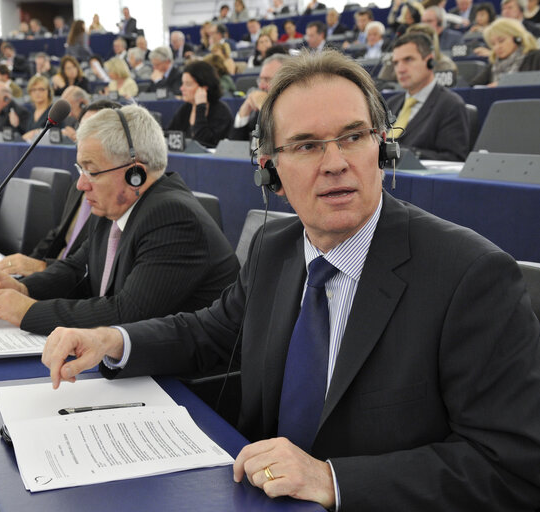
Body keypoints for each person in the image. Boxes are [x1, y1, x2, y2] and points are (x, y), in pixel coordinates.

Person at [41, 50, 540, 511]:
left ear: (383, 148)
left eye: (353, 137)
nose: (336, 163)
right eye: (306, 145)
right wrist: (112, 340)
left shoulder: (470, 276)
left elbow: (511, 469)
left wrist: (333, 480)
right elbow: (208, 332)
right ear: (271, 173)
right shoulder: (273, 248)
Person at [0, 104, 239, 335]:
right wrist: (23, 289)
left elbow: (127, 314)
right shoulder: (113, 207)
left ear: (135, 174)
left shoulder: (173, 218)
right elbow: (76, 269)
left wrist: (28, 311)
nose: (81, 184)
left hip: (188, 375)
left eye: (92, 171)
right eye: (80, 169)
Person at [0, 99, 121, 276]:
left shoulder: (117, 198)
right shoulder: (77, 186)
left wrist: (41, 268)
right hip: (53, 276)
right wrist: (22, 270)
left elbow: (94, 268)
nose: (83, 138)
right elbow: (58, 235)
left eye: (93, 131)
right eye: (82, 130)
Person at [388, 33, 470, 161]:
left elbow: (454, 159)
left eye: (408, 60)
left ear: (430, 62)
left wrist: (405, 153)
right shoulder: (391, 104)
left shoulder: (450, 105)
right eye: (396, 63)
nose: (400, 69)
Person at [167, 60, 233, 148]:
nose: (181, 88)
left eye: (188, 84)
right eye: (182, 83)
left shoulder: (221, 111)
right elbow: (170, 135)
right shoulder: (186, 108)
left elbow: (204, 143)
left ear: (204, 88)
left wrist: (200, 107)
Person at [230, 53, 287, 141]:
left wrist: (265, 108)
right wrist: (244, 113)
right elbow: (236, 145)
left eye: (267, 79)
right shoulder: (258, 109)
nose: (261, 86)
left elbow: (278, 142)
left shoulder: (295, 110)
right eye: (261, 79)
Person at [482, 18, 540, 85]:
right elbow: (473, 86)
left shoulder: (536, 57)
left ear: (517, 39)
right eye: (493, 44)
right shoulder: (494, 64)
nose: (497, 47)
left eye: (501, 41)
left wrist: (502, 84)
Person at [21, 75, 54, 142]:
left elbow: (57, 133)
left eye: (41, 89)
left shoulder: (54, 112)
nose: (37, 92)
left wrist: (36, 132)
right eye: (34, 90)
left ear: (48, 91)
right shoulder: (30, 112)